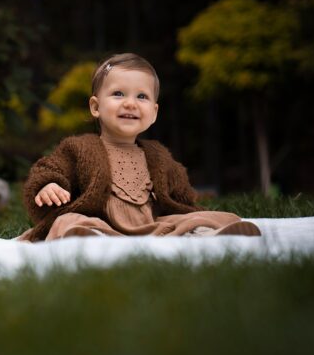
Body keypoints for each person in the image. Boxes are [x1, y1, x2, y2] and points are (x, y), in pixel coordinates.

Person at [18, 53, 261, 242]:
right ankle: (91, 240)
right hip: (102, 224)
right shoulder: (80, 148)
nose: (130, 104)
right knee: (70, 221)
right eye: (118, 94)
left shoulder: (158, 155)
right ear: (95, 107)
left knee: (202, 218)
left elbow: (181, 195)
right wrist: (48, 185)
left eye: (142, 97)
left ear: (154, 113)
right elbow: (50, 168)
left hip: (153, 226)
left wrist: (191, 211)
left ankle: (203, 235)